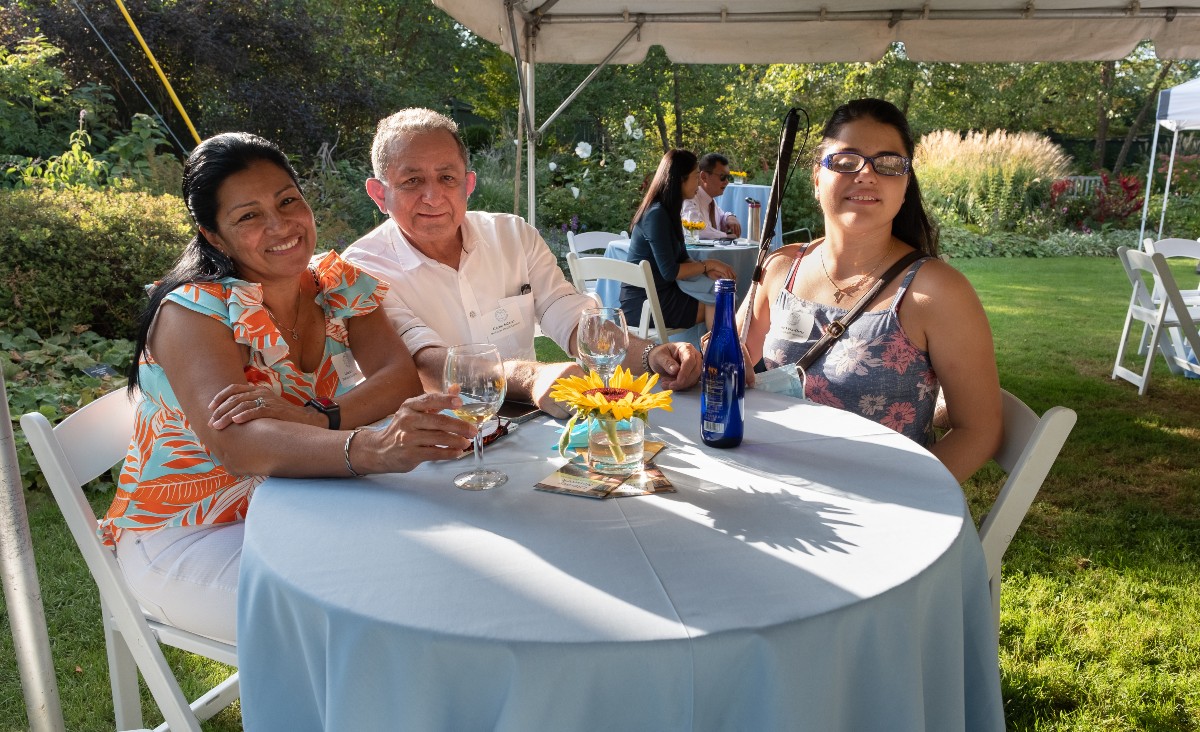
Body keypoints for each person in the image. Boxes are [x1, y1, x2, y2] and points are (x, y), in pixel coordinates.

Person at [100, 133, 475, 645]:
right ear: (214, 235)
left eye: (287, 201)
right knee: (370, 616)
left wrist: (319, 418)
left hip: (299, 501)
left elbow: (398, 378)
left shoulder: (335, 282)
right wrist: (373, 447)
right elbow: (238, 445)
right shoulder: (192, 311)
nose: (280, 226)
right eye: (248, 216)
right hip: (191, 533)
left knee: (433, 569)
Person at [342, 108, 701, 415]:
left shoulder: (513, 235)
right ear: (379, 194)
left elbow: (569, 315)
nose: (432, 196)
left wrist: (651, 355)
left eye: (447, 178)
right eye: (412, 181)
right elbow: (423, 361)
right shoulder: (363, 268)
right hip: (434, 443)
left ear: (468, 184)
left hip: (530, 428)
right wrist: (533, 378)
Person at [738, 99, 1002, 482]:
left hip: (880, 499)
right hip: (774, 479)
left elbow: (979, 430)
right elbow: (732, 356)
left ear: (905, 184)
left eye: (888, 164)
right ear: (817, 177)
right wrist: (692, 358)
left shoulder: (937, 293)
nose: (866, 174)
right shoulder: (782, 268)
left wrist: (899, 498)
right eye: (846, 161)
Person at [620, 149, 737, 331]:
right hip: (644, 302)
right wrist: (709, 264)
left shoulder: (669, 210)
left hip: (662, 293)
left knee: (721, 294)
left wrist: (707, 272)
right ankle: (718, 349)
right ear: (680, 179)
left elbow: (682, 257)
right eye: (696, 176)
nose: (700, 183)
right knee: (719, 302)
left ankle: (716, 347)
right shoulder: (656, 214)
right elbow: (670, 271)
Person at [681, 152, 742, 239]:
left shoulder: (710, 202)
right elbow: (696, 230)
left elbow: (721, 215)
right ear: (704, 177)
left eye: (728, 177)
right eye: (722, 177)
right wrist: (726, 236)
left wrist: (730, 217)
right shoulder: (691, 199)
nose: (727, 182)